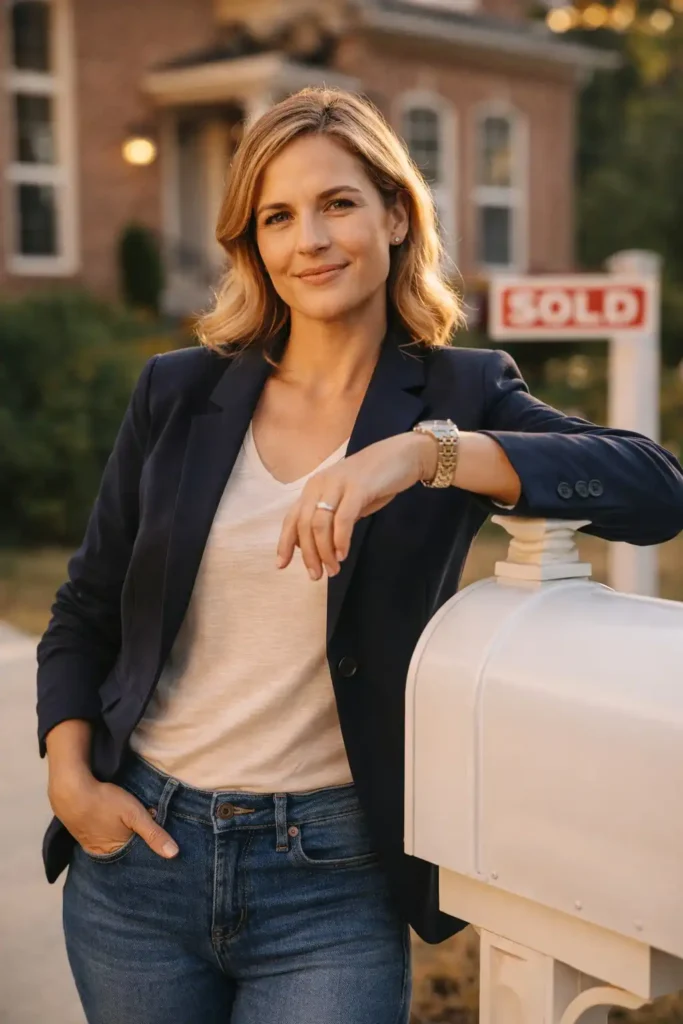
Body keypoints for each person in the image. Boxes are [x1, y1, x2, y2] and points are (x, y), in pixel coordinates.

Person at [37, 88, 683, 1024]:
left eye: (337, 203)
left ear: (393, 212)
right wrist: (70, 775)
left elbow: (654, 489)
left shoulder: (462, 390)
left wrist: (427, 452)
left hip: (329, 877)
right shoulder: (179, 392)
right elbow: (88, 606)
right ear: (252, 244)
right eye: (278, 216)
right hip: (138, 861)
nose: (311, 240)